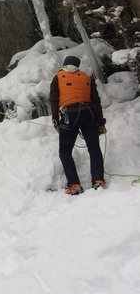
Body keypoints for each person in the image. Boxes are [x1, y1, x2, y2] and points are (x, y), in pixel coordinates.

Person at [50, 55, 106, 195]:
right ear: (77, 66)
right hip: (89, 114)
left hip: (70, 115)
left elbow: (53, 100)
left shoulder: (58, 77)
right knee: (94, 148)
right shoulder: (87, 77)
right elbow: (96, 100)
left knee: (65, 151)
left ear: (64, 64)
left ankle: (74, 185)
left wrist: (55, 120)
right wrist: (100, 122)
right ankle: (98, 180)